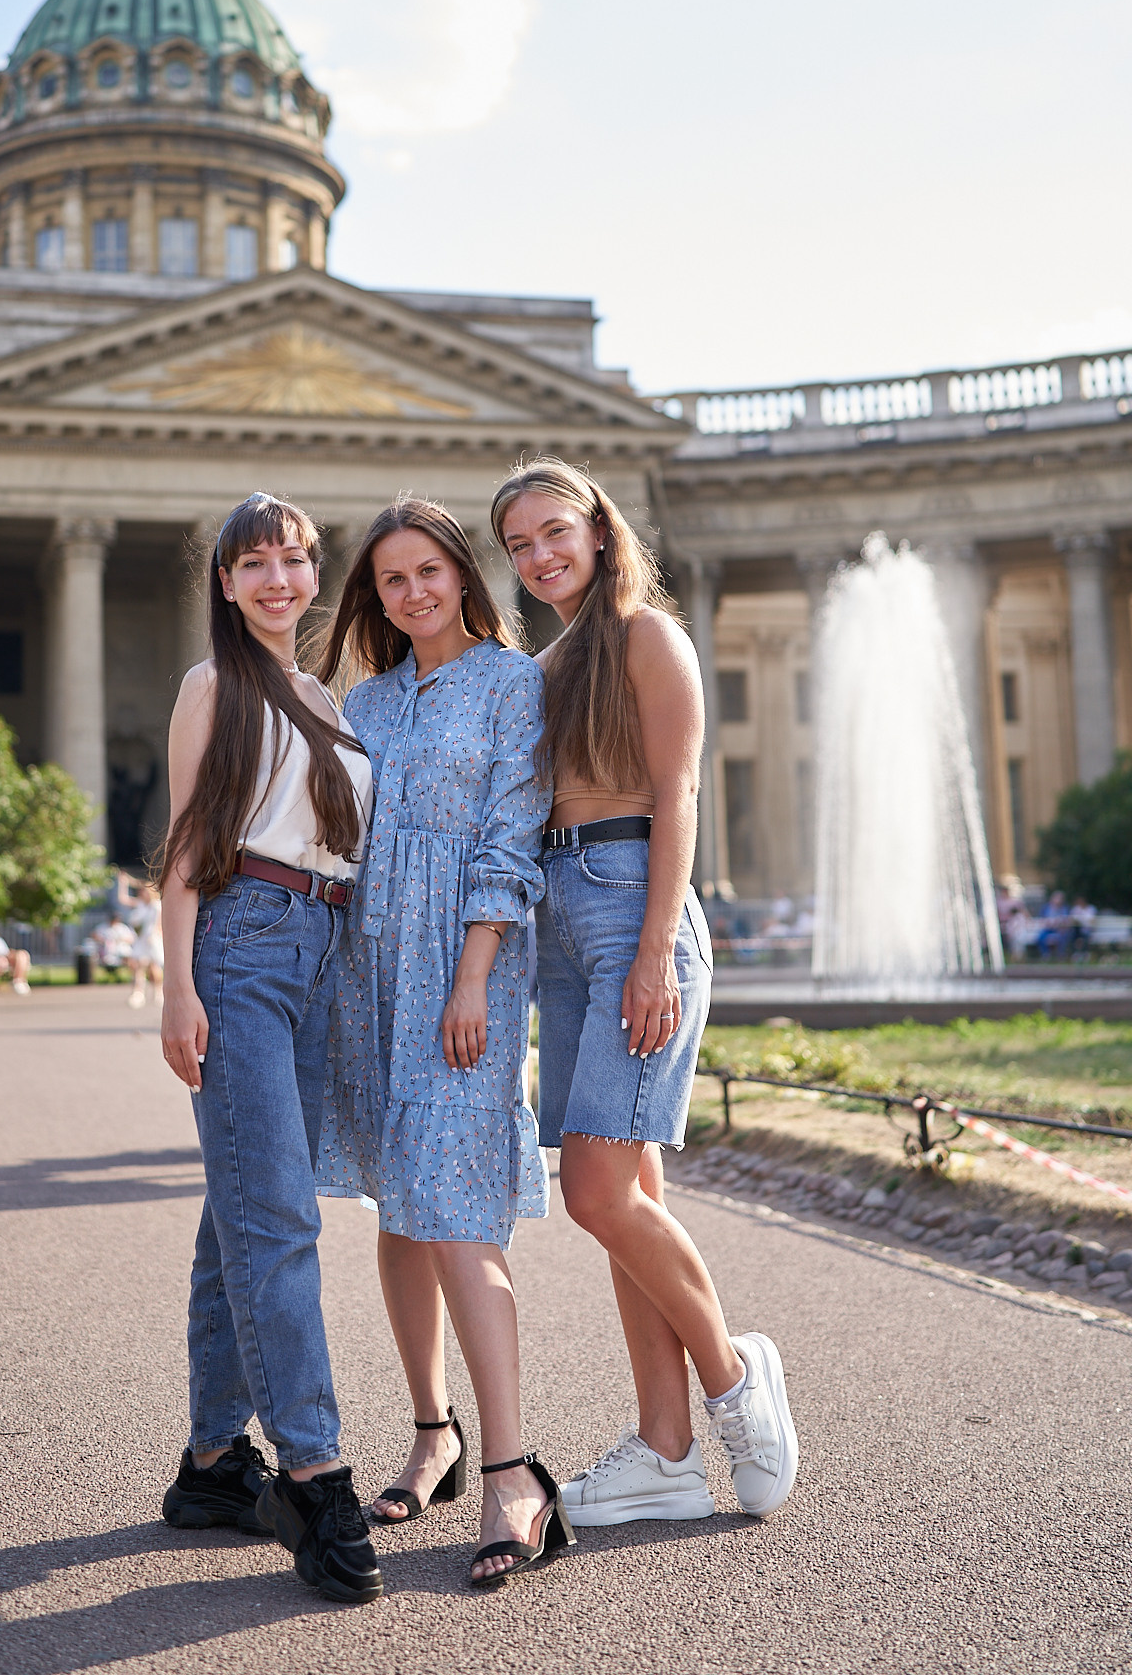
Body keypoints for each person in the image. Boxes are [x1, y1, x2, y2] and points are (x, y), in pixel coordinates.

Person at [492, 457, 799, 1527]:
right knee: (628, 1195)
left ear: (597, 529)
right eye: (518, 544)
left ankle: (732, 1377)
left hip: (632, 906)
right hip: (560, 919)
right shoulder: (545, 665)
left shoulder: (645, 636)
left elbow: (676, 793)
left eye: (552, 531)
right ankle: (664, 1451)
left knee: (593, 1191)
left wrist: (655, 948)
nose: (538, 555)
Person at [315, 497, 573, 1589]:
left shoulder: (514, 683)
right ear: (375, 598)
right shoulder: (364, 701)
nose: (412, 591)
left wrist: (472, 977)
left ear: (462, 575)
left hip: (466, 965)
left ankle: (512, 1468)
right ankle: (434, 1433)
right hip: (364, 969)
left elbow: (512, 838)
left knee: (457, 1207)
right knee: (396, 1200)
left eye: (428, 570)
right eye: (391, 579)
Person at [157, 492, 383, 1607]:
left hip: (318, 951)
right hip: (241, 944)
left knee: (237, 1209)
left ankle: (211, 1462)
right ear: (226, 583)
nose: (276, 579)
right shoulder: (213, 685)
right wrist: (175, 987)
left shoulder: (324, 697)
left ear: (312, 573)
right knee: (280, 1216)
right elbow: (188, 842)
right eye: (253, 563)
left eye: (291, 559)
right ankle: (312, 1472)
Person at [124, 880, 164, 1009]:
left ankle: (159, 991)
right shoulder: (140, 905)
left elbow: (158, 924)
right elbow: (123, 899)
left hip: (152, 939)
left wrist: (155, 936)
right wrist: (123, 882)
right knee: (139, 965)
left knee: (154, 966)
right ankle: (138, 992)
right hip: (141, 939)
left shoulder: (157, 906)